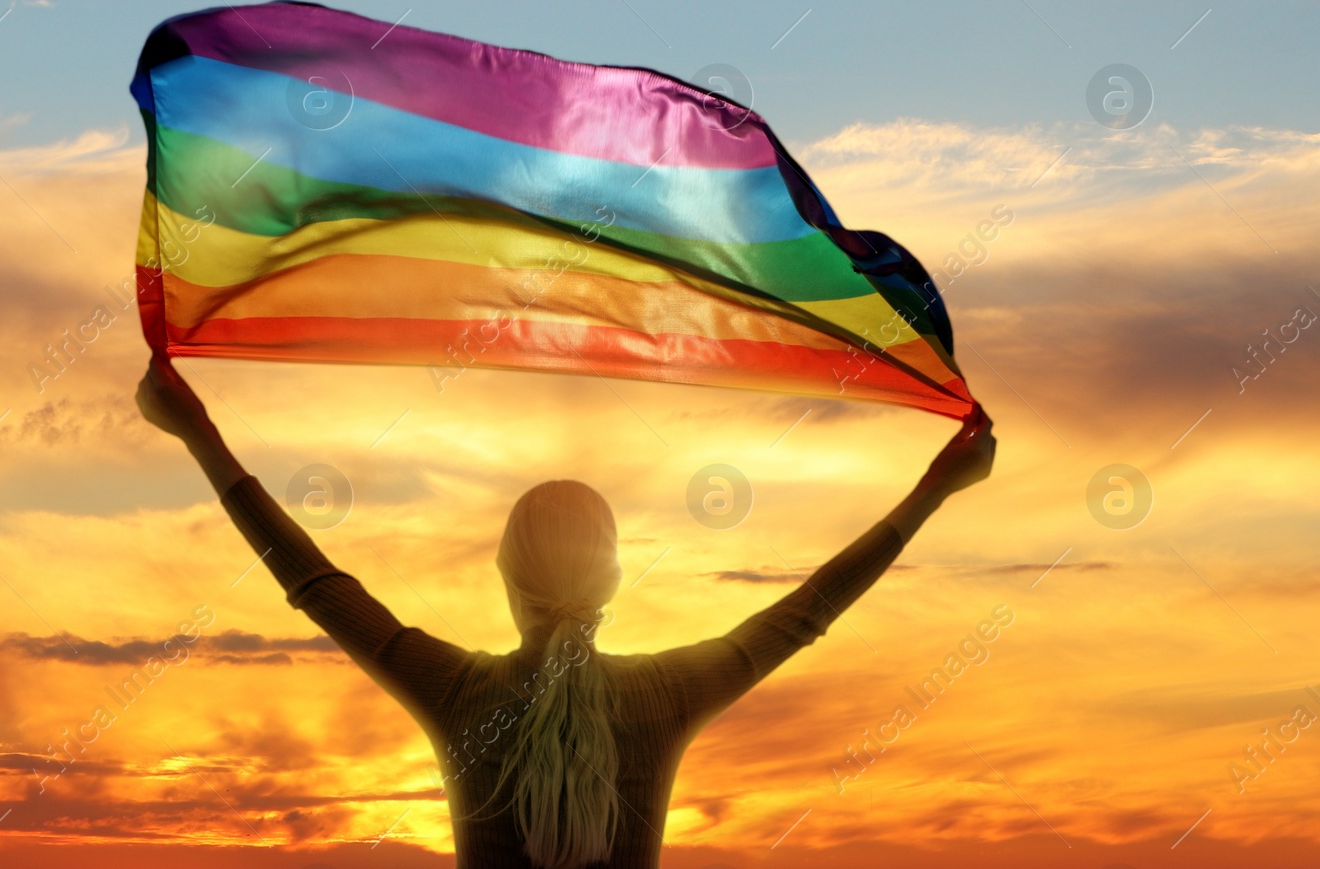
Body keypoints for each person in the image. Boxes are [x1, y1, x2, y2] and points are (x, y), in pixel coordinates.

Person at [136, 358, 995, 869]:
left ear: (508, 581)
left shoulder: (455, 687)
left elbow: (317, 584)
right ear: (612, 583)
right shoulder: (664, 693)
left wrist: (198, 432)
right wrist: (934, 489)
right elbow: (809, 608)